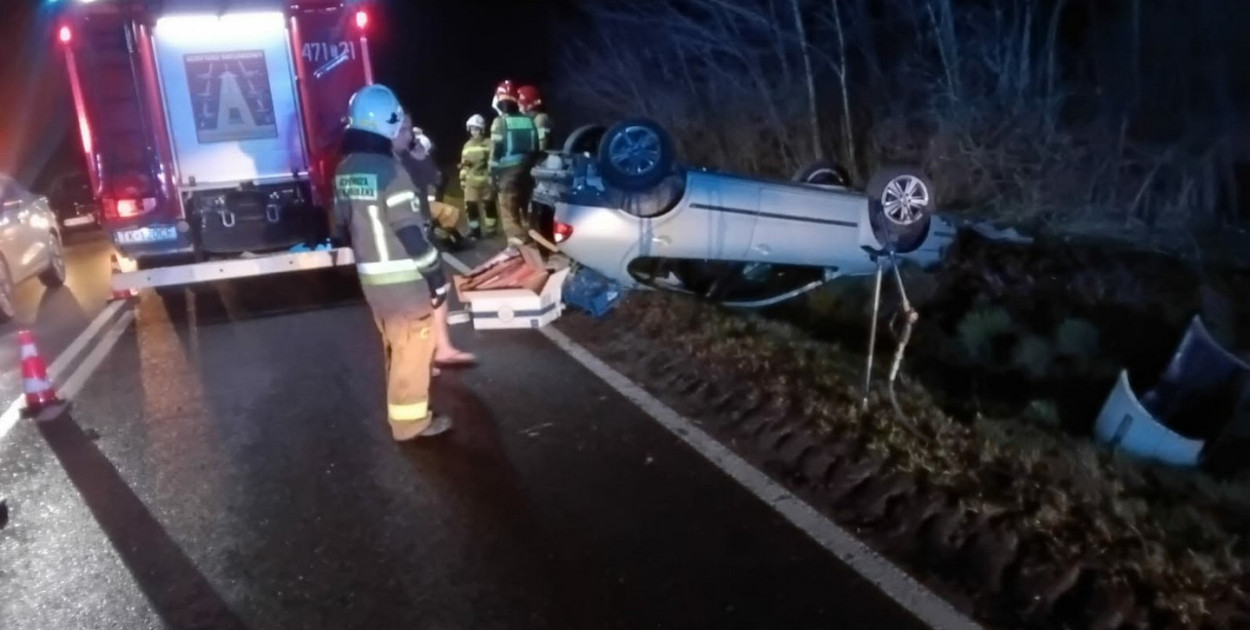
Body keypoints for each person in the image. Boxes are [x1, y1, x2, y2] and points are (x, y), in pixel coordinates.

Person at [333, 83, 452, 441]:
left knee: (398, 348)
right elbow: (410, 233)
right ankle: (410, 424)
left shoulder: (346, 168)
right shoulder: (391, 171)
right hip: (404, 283)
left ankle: (403, 413)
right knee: (413, 352)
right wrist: (436, 276)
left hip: (373, 282)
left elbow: (339, 225)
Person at [393, 117, 479, 369]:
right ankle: (420, 357)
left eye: (410, 130)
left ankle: (441, 348)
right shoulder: (387, 161)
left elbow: (435, 178)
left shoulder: (409, 155)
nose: (409, 135)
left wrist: (420, 156)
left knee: (437, 288)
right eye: (404, 130)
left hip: (421, 227)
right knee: (416, 294)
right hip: (403, 234)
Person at [488, 80, 540, 247]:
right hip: (528, 171)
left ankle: (517, 248)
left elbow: (495, 153)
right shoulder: (529, 120)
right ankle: (533, 244)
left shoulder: (500, 122)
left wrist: (492, 176)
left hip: (508, 174)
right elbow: (536, 147)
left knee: (509, 213)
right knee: (526, 211)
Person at [458, 113, 495, 238]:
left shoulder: (489, 144)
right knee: (471, 207)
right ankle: (475, 231)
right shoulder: (467, 146)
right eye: (472, 129)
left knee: (489, 205)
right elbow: (464, 165)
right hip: (471, 182)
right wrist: (462, 180)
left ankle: (491, 229)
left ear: (482, 130)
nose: (474, 132)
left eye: (477, 129)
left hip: (487, 182)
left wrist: (493, 178)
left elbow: (493, 162)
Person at [517, 85, 553, 152]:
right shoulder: (528, 120)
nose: (519, 105)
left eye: (521, 102)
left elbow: (542, 145)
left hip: (539, 157)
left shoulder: (541, 119)